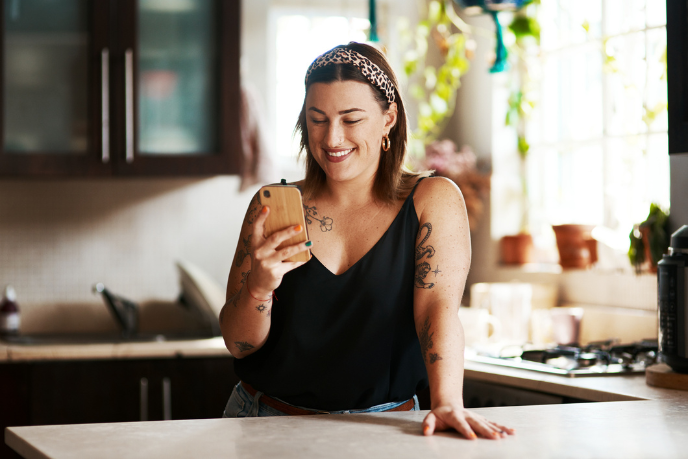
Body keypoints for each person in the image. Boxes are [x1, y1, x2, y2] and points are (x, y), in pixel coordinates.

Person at [219, 42, 514, 440]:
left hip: (388, 429)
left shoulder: (432, 200)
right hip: (264, 422)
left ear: (388, 117)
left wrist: (447, 402)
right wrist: (258, 286)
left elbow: (436, 312)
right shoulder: (271, 207)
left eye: (351, 119)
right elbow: (239, 346)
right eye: (317, 119)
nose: (332, 137)